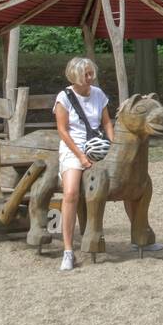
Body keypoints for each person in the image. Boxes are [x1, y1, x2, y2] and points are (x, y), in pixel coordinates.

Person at [54, 57, 114, 271]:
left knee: (126, 177)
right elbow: (62, 130)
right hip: (74, 148)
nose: (91, 77)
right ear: (76, 76)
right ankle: (68, 251)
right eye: (86, 74)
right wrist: (80, 156)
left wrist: (112, 146)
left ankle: (141, 234)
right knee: (70, 193)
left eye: (91, 73)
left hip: (98, 145)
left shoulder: (98, 94)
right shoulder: (64, 97)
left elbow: (106, 122)